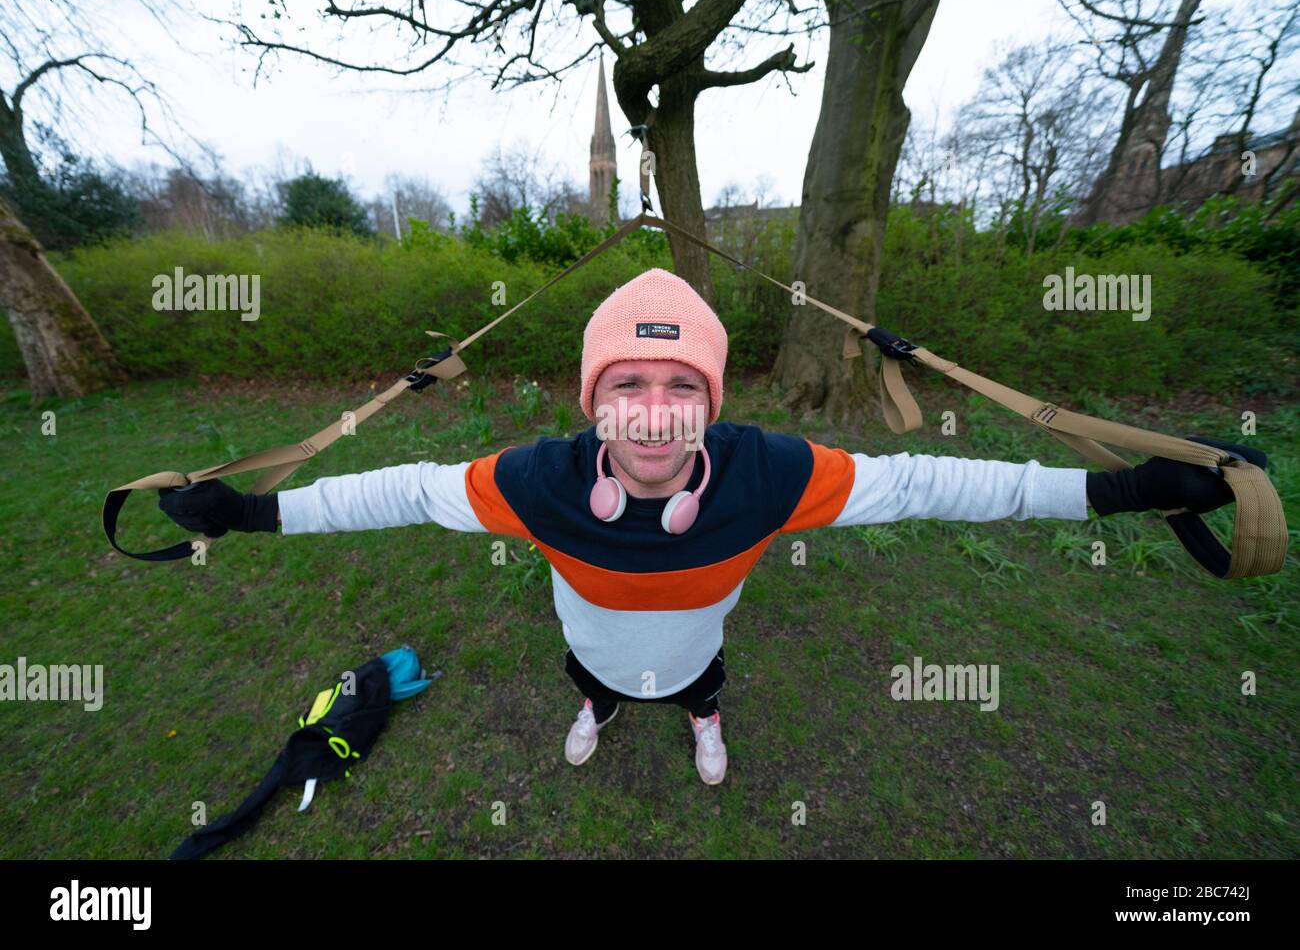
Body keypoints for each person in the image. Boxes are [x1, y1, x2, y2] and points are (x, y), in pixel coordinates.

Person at [158, 268, 1245, 786]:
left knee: (692, 682)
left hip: (696, 642)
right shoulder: (535, 481)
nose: (650, 408)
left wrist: (1109, 494)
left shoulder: (771, 473)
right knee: (588, 679)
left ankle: (699, 725)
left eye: (680, 382)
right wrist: (252, 512)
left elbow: (924, 484)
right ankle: (595, 711)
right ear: (592, 399)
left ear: (712, 401)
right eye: (623, 380)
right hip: (587, 636)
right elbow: (396, 491)